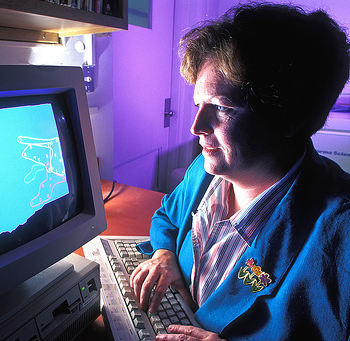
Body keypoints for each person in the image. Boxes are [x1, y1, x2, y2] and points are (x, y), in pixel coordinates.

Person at [130, 3, 350, 340]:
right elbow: (167, 217)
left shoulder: (340, 235)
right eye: (198, 105)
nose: (195, 127)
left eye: (221, 108)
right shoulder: (208, 173)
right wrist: (164, 254)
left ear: (289, 119)